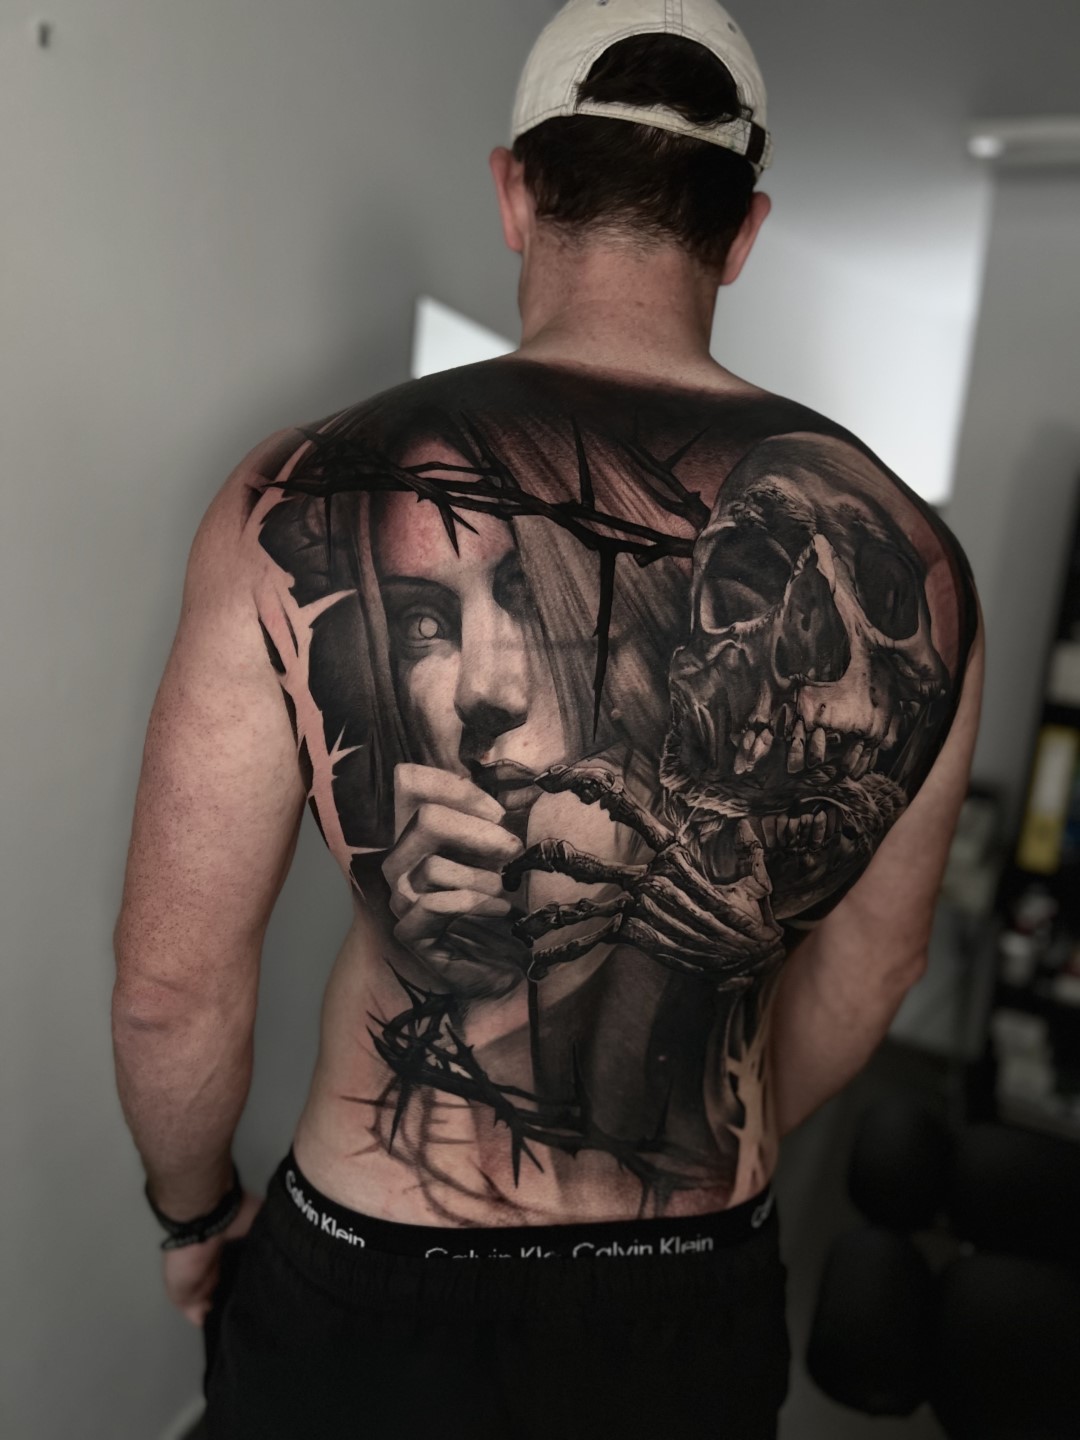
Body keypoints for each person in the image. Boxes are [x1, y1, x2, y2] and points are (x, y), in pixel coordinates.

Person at [112, 2, 983, 1436]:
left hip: (371, 1277)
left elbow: (169, 990)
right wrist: (695, 1133)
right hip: (692, 1295)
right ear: (743, 232)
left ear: (515, 192)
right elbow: (876, 970)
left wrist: (192, 1211)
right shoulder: (932, 563)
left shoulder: (288, 490)